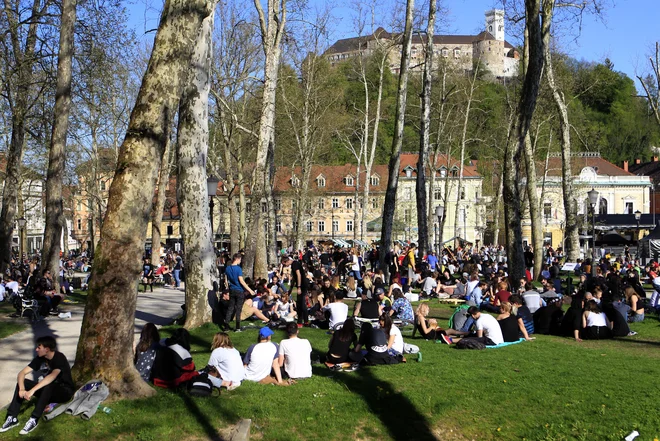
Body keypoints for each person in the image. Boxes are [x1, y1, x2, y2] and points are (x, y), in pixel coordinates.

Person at [2, 336, 74, 435]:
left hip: (64, 392)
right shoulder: (40, 358)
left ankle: (34, 419)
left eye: (39, 347)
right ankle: (12, 418)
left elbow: (52, 377)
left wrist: (32, 391)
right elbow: (22, 373)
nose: (36, 349)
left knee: (49, 384)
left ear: (47, 349)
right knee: (23, 382)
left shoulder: (59, 357)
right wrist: (22, 389)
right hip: (48, 391)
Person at [225, 253, 256, 332]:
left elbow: (226, 280)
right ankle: (238, 327)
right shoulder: (238, 269)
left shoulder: (227, 268)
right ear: (238, 259)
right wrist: (250, 290)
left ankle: (226, 327)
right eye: (240, 259)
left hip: (232, 290)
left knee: (230, 308)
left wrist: (228, 288)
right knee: (238, 309)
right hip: (239, 290)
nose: (240, 261)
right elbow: (241, 281)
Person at [286, 255, 310, 326]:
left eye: (284, 264)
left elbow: (298, 275)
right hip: (301, 286)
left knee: (301, 304)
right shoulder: (294, 265)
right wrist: (291, 288)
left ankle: (303, 321)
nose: (285, 265)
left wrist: (299, 287)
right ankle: (303, 321)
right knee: (300, 304)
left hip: (303, 286)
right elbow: (294, 278)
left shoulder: (295, 264)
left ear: (287, 261)